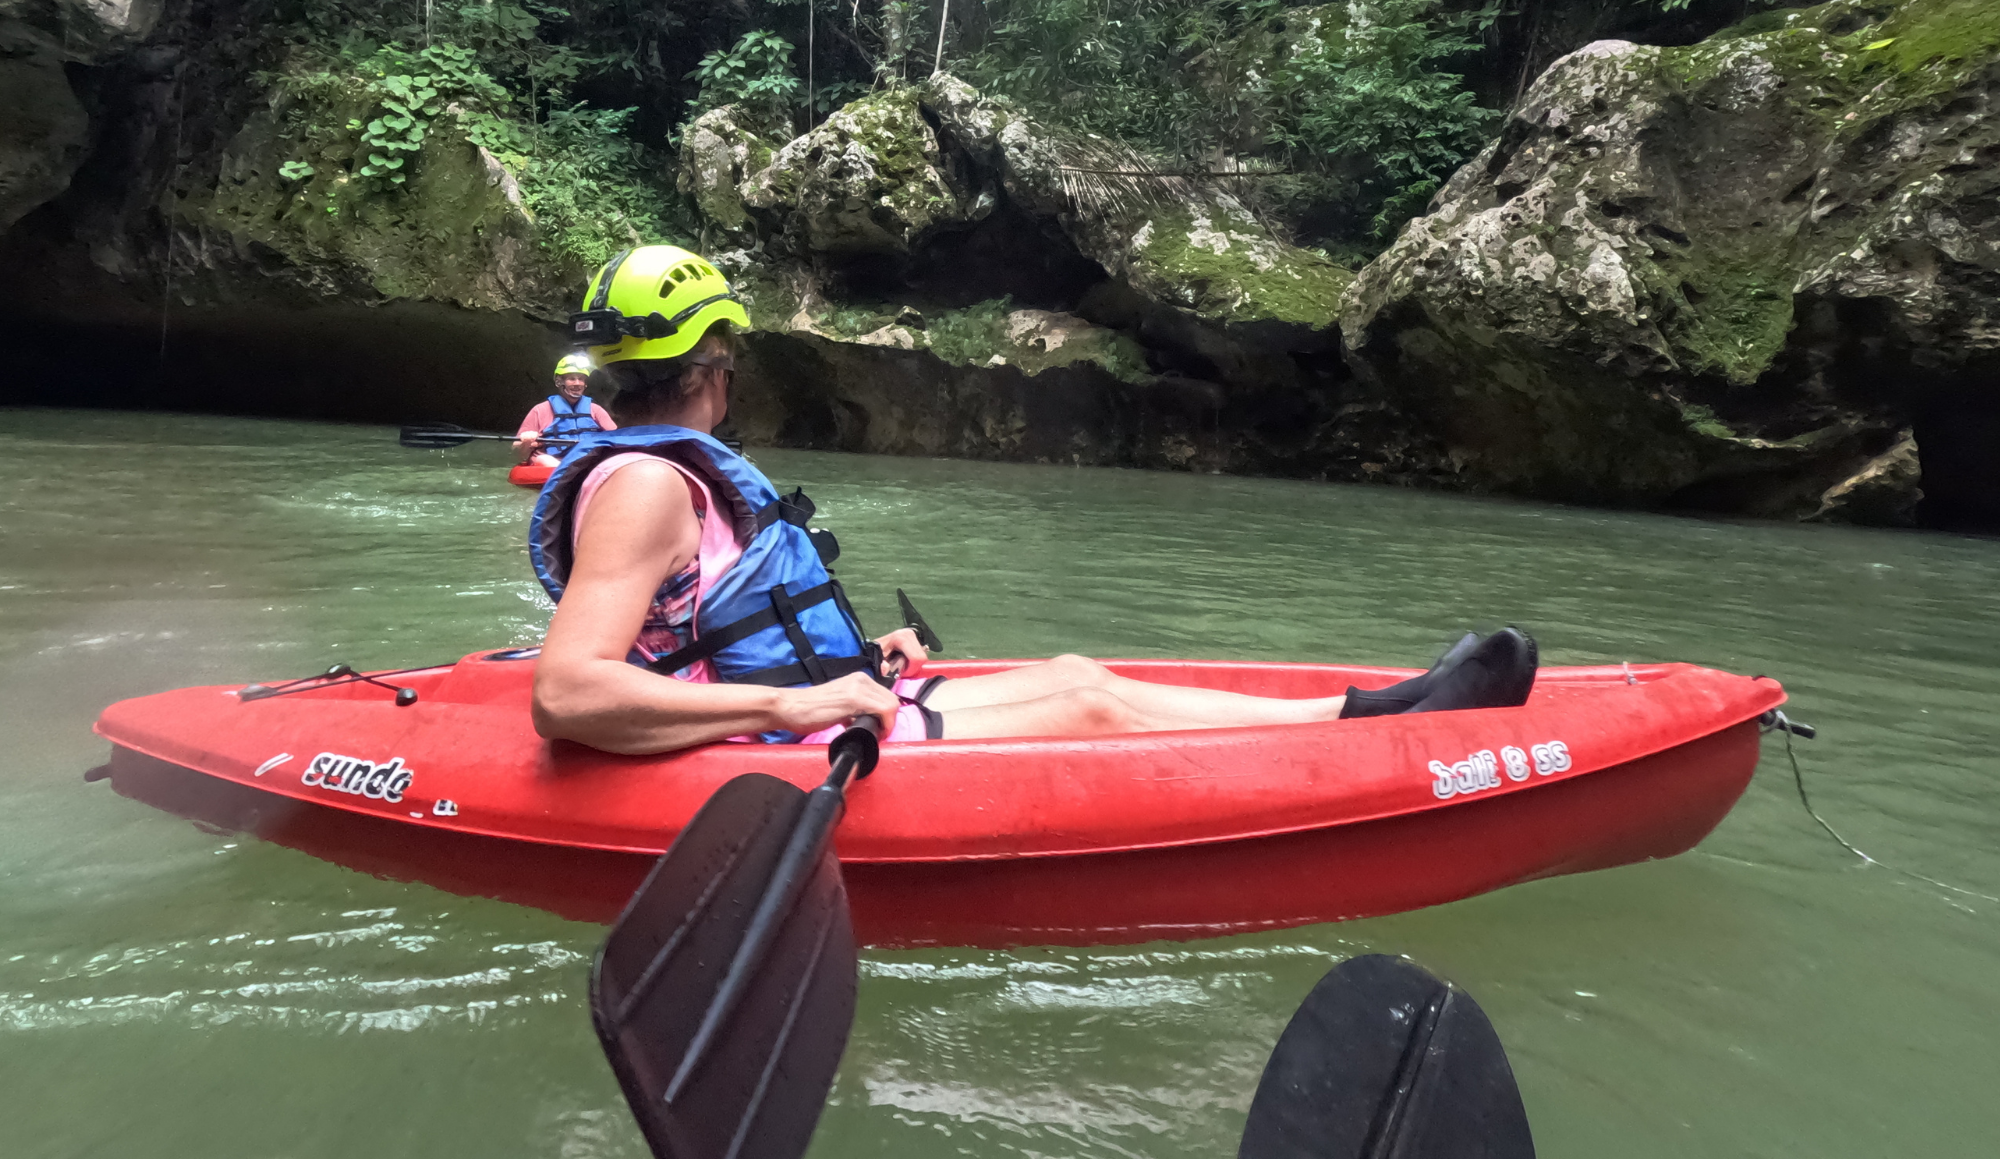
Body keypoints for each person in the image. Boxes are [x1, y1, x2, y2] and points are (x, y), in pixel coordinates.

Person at [528, 244, 1538, 756]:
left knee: (1072, 669)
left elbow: (699, 623)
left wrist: (852, 661)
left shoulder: (665, 470)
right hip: (773, 742)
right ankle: (1378, 739)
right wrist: (798, 695)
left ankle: (1376, 711)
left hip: (811, 712)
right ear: (714, 361)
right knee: (1084, 702)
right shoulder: (649, 482)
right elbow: (567, 693)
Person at [514, 353, 617, 470]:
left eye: (581, 379)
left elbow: (616, 437)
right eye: (572, 379)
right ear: (559, 382)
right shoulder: (540, 410)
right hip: (553, 462)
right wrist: (526, 441)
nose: (577, 383)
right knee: (544, 460)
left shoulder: (595, 410)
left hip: (588, 460)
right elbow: (517, 452)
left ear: (585, 384)